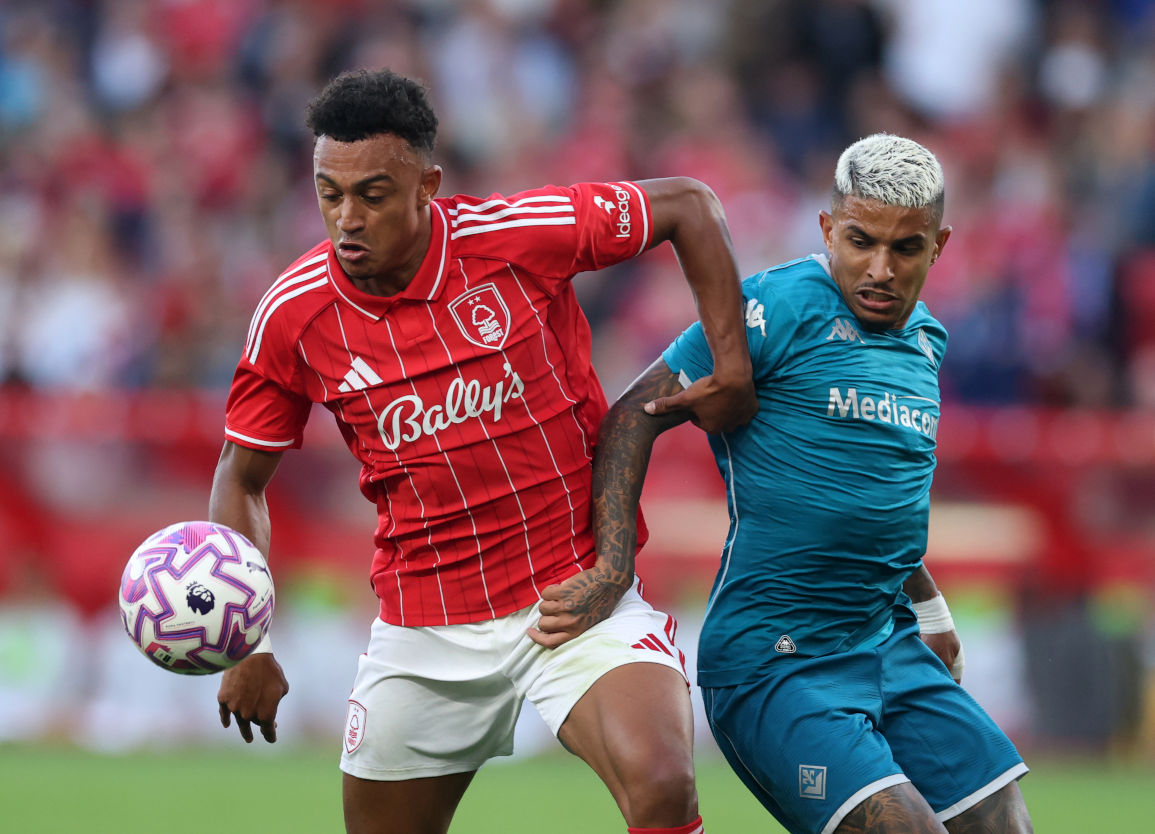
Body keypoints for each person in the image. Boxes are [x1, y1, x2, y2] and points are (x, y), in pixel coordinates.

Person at [208, 69, 757, 834]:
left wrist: (731, 365)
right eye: (329, 193)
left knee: (664, 786)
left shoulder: (515, 237)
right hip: (423, 625)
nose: (347, 220)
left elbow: (689, 207)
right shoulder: (294, 314)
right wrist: (247, 639)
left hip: (574, 596)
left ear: (427, 184)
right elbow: (240, 479)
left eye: (373, 194)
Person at [584, 134, 1034, 834]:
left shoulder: (926, 341)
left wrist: (933, 612)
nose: (880, 269)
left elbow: (869, 500)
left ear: (939, 246)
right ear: (828, 228)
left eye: (906, 249)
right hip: (776, 659)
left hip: (886, 643)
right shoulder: (770, 309)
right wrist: (612, 567)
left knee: (1003, 821)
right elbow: (629, 418)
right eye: (860, 241)